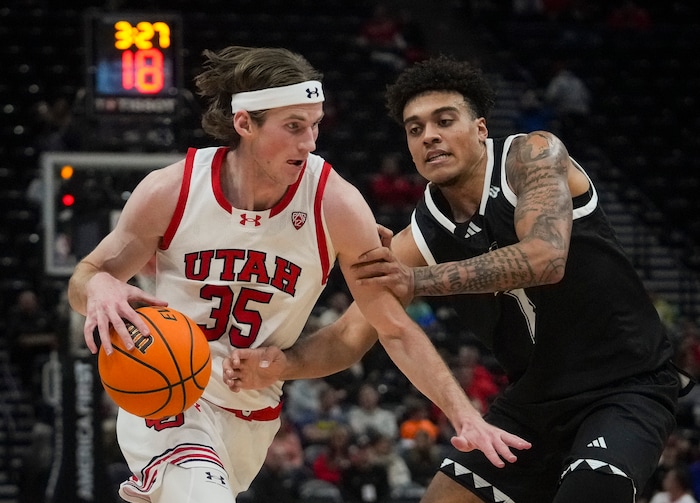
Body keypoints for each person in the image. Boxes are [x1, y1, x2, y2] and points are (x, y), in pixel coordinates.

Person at [225, 54, 690, 503]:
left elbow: (546, 258)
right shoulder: (420, 236)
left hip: (626, 383)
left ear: (480, 130)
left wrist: (418, 282)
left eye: (444, 121)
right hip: (534, 401)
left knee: (591, 491)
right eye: (415, 129)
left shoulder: (531, 156)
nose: (429, 136)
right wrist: (283, 364)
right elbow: (350, 335)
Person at [67, 46, 520, 503]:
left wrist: (465, 416)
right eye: (293, 126)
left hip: (252, 411)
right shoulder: (171, 190)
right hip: (165, 392)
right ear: (245, 124)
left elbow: (391, 328)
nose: (310, 141)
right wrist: (100, 283)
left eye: (315, 124)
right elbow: (84, 280)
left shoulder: (335, 204)